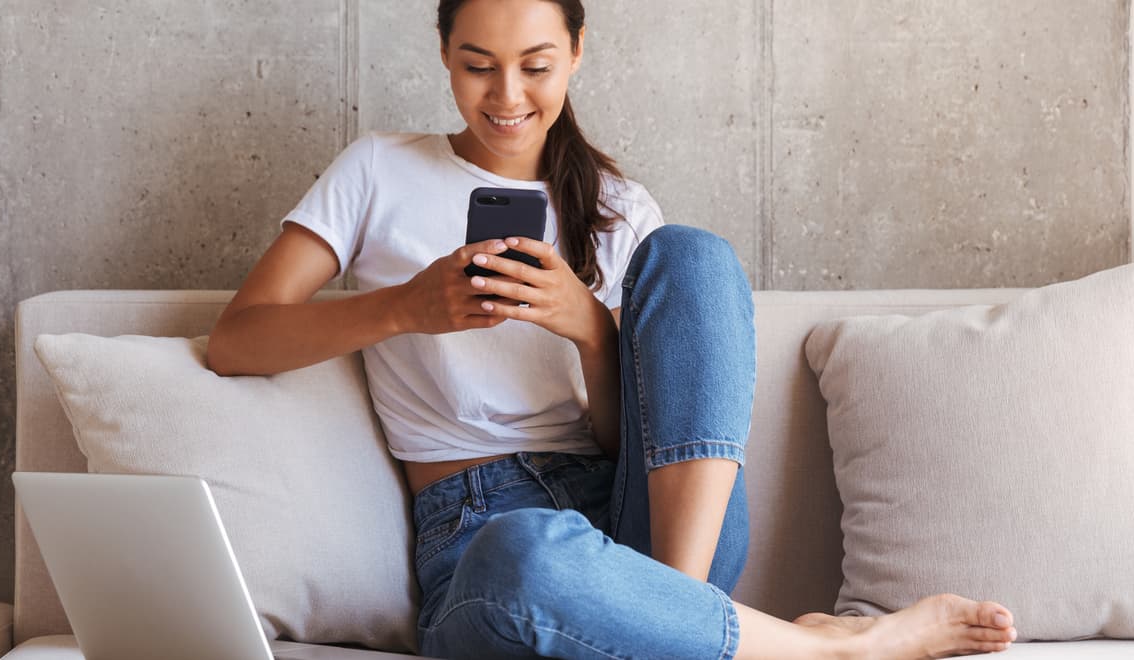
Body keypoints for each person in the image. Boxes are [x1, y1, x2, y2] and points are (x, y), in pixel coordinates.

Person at [207, 0, 1019, 657]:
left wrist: (591, 330)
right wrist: (404, 308)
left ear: (577, 51)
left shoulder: (620, 210)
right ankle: (820, 648)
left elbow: (626, 437)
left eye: (536, 66)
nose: (507, 96)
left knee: (693, 255)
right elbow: (236, 340)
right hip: (482, 540)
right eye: (477, 66)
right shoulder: (377, 170)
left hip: (653, 528)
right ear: (444, 52)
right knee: (524, 550)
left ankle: (676, 616)